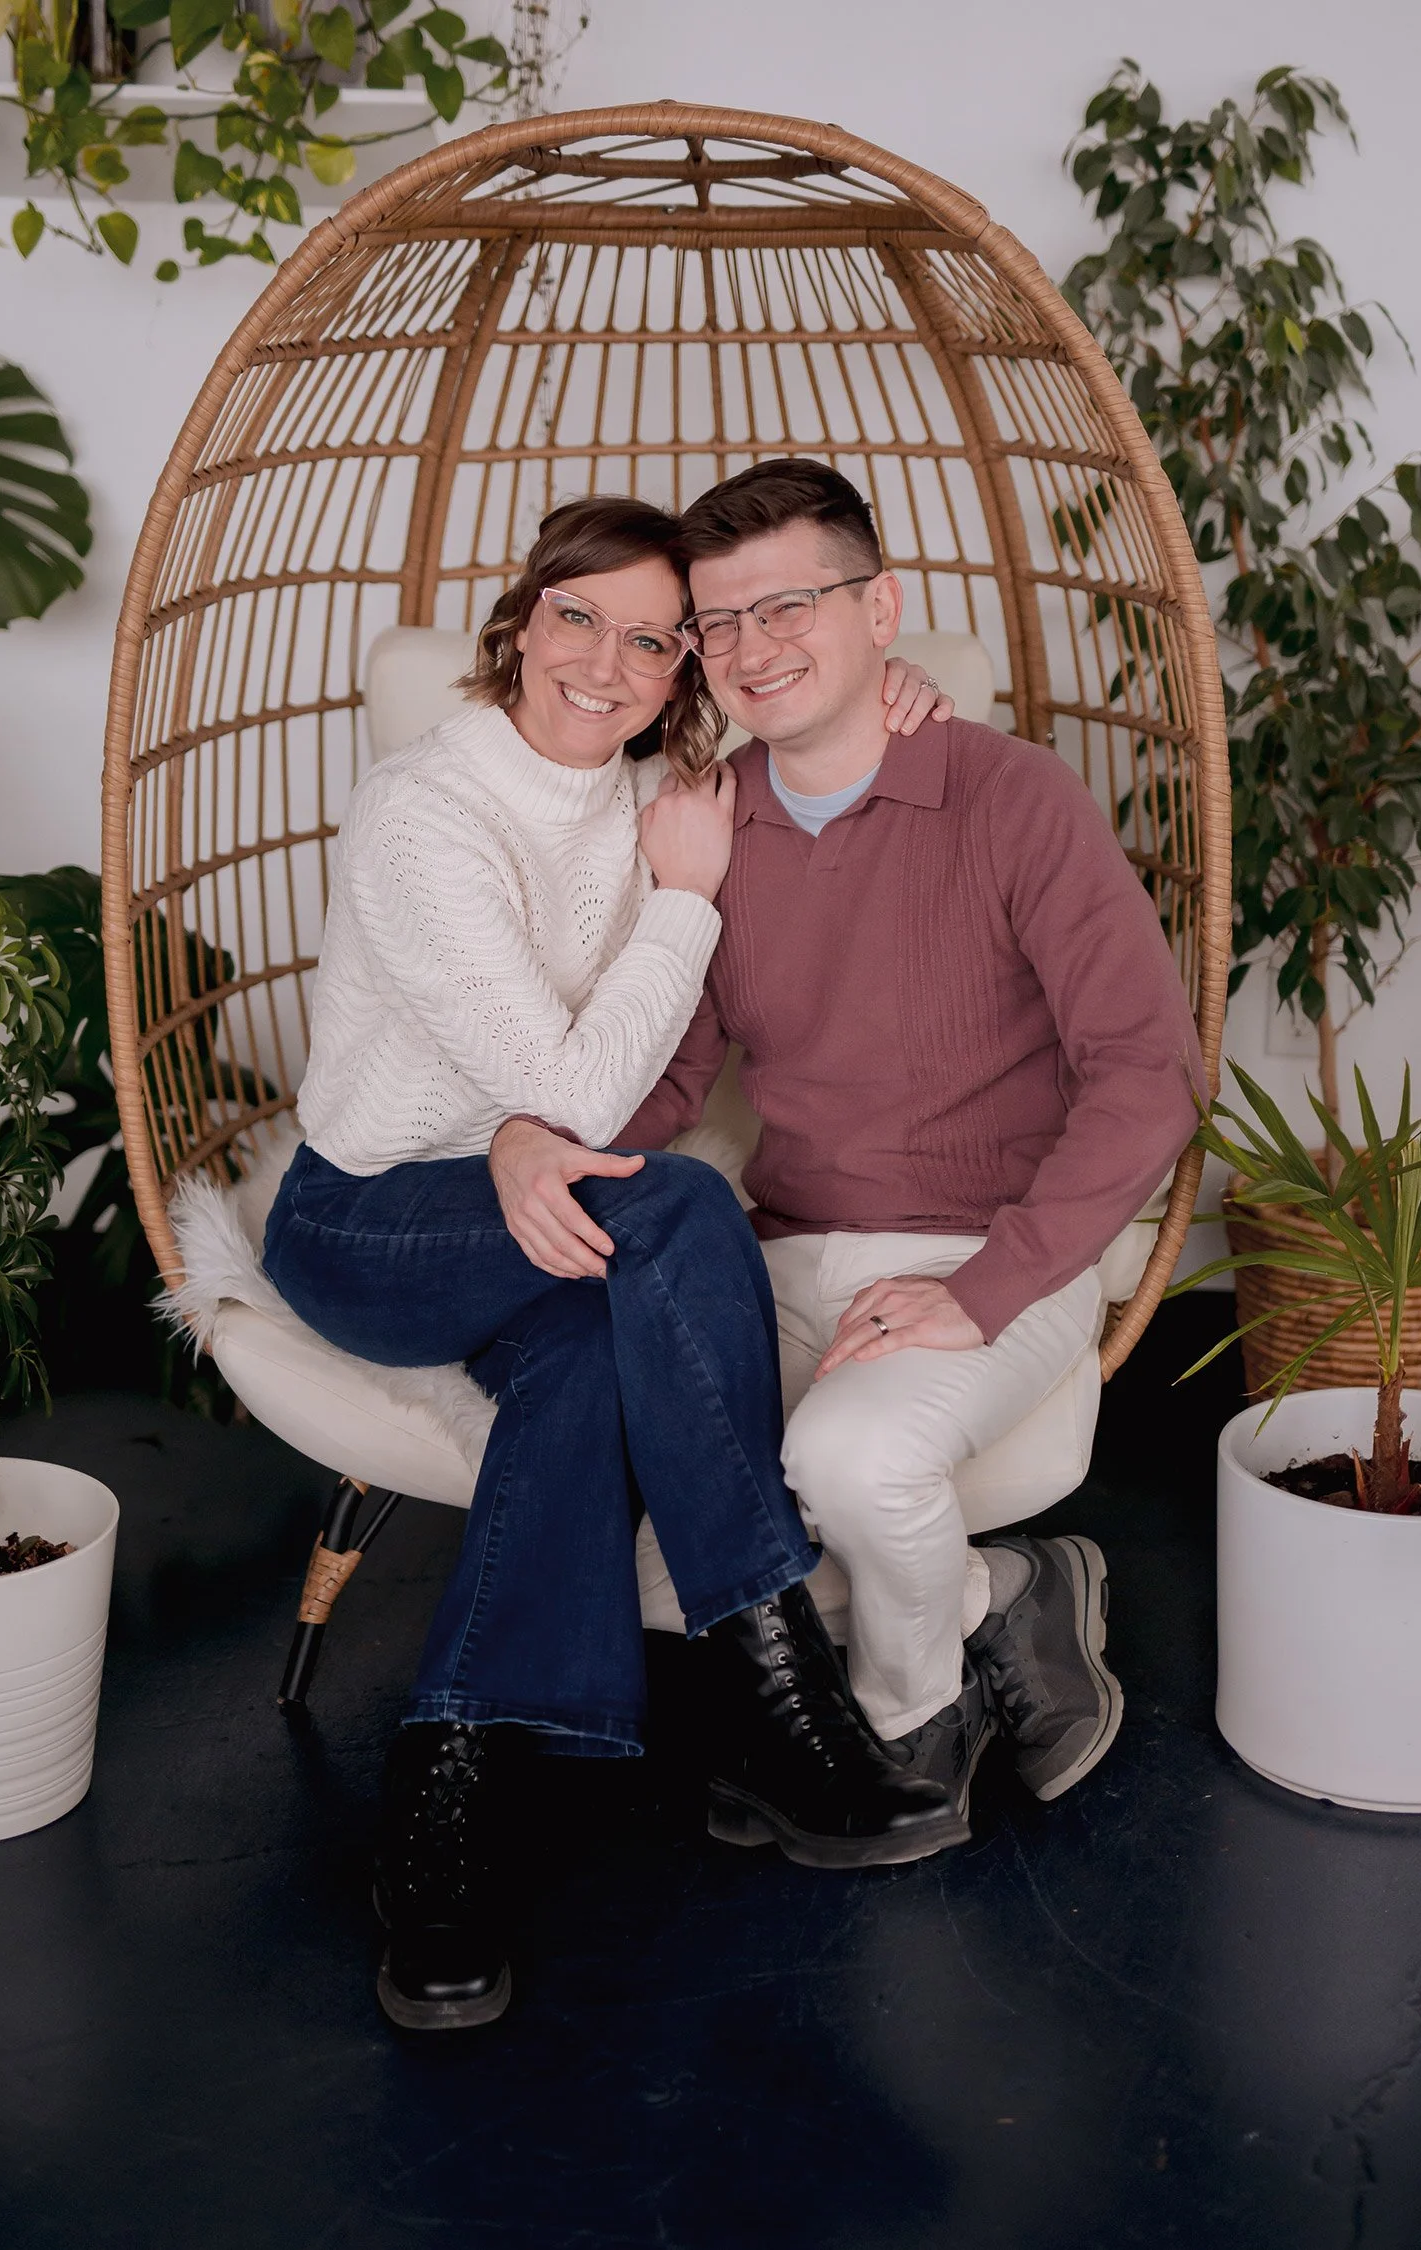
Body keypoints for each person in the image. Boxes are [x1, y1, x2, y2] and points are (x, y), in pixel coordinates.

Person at [262, 492, 956, 2032]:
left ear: (682, 671)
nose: (606, 661)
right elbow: (571, 1093)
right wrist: (682, 906)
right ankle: (771, 1675)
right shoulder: (423, 809)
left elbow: (828, 772)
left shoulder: (667, 794)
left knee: (583, 1364)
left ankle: (444, 1791)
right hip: (368, 1220)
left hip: (546, 1233)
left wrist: (892, 692)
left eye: (653, 641)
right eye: (580, 616)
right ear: (522, 620)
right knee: (686, 1208)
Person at [490, 460, 1206, 1856]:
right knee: (660, 1564)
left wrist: (984, 1289)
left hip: (990, 1249)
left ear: (881, 611)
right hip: (783, 1251)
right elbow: (673, 1073)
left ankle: (904, 1727)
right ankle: (1007, 1599)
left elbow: (1151, 1074)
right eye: (718, 623)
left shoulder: (1013, 797)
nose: (751, 647)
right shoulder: (712, 827)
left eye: (789, 607)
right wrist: (538, 1145)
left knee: (853, 1457)